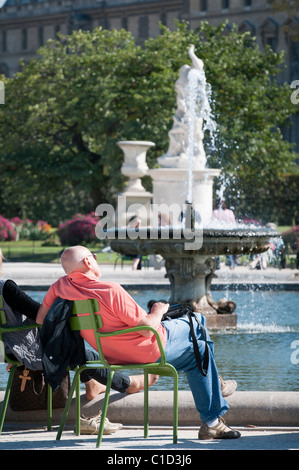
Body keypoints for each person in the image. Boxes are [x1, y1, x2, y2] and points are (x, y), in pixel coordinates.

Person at [37, 245, 241, 440]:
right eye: (94, 256)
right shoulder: (111, 290)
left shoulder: (60, 287)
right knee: (197, 322)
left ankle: (214, 416)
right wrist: (158, 310)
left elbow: (40, 319)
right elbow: (146, 330)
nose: (97, 259)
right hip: (150, 349)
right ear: (89, 262)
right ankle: (214, 403)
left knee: (200, 348)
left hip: (112, 356)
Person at [212, 199, 237, 269]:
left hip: (218, 234)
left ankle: (217, 265)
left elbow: (212, 223)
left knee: (216, 250)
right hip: (228, 234)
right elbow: (234, 224)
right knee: (227, 249)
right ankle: (231, 264)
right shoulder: (230, 212)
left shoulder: (215, 212)